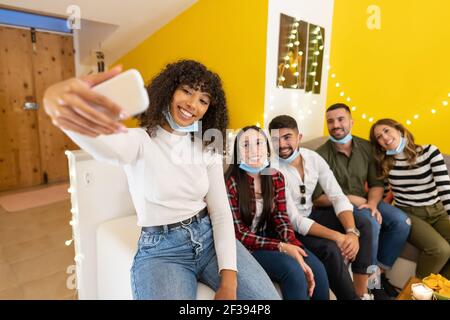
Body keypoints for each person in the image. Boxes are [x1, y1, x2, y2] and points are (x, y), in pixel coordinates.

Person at [42, 60, 280, 300]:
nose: (192, 104)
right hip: (162, 251)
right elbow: (104, 147)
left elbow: (219, 213)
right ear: (169, 90)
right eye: (186, 91)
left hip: (207, 238)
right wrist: (55, 103)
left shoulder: (208, 146)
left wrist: (229, 283)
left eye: (203, 100)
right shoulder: (139, 141)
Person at [269, 115, 373, 300]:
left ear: (299, 137)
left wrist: (351, 232)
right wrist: (339, 237)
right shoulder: (272, 169)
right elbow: (294, 221)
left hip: (311, 214)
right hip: (288, 227)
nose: (282, 144)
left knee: (364, 223)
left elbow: (337, 196)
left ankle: (362, 290)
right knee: (331, 249)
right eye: (276, 139)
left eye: (287, 137)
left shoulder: (313, 158)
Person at [312, 103, 411, 299]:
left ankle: (378, 276)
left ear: (351, 121)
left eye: (340, 119)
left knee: (402, 222)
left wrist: (372, 204)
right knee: (371, 223)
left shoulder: (366, 147)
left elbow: (376, 184)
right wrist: (349, 199)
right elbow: (317, 199)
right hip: (338, 207)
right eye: (330, 121)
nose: (336, 124)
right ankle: (371, 286)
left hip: (365, 201)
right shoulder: (320, 155)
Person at [224, 125, 329, 300]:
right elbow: (239, 234)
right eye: (245, 145)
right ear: (237, 153)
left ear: (266, 148)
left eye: (258, 143)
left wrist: (294, 245)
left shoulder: (275, 177)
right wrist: (281, 247)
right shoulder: (230, 183)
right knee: (292, 269)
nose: (253, 150)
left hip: (268, 237)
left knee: (317, 268)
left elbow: (281, 218)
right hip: (243, 248)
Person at [370, 118, 450, 278]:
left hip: (438, 211)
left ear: (400, 130)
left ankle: (440, 290)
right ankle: (415, 291)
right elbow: (382, 193)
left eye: (386, 130)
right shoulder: (384, 162)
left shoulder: (429, 151)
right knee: (440, 250)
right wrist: (376, 212)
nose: (384, 138)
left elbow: (445, 188)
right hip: (409, 214)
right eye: (379, 137)